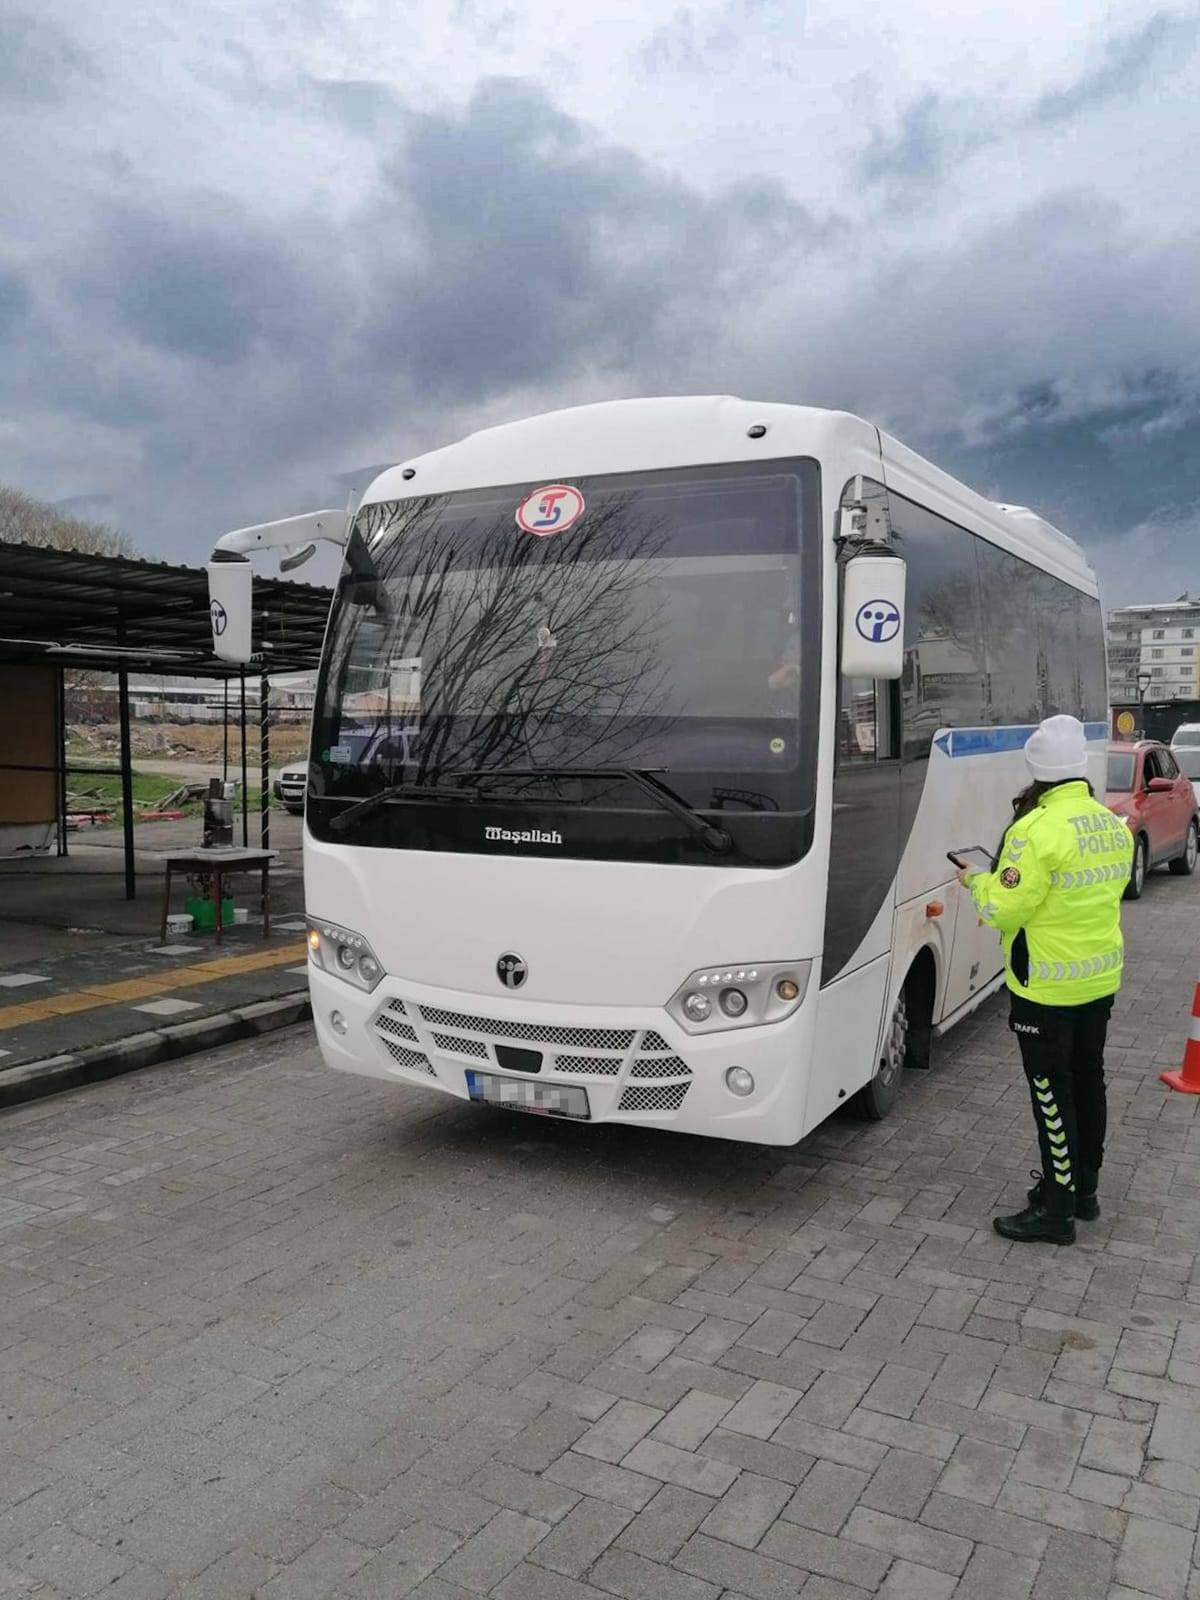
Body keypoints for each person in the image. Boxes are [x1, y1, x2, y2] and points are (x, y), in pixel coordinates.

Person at [958, 714, 1132, 1245]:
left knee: (1051, 1096)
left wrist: (976, 882)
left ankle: (1055, 1211)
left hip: (1045, 989)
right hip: (1098, 980)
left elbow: (1005, 909)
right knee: (1088, 1082)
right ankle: (1084, 1191)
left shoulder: (1033, 831)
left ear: (1037, 773)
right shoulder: (1108, 822)